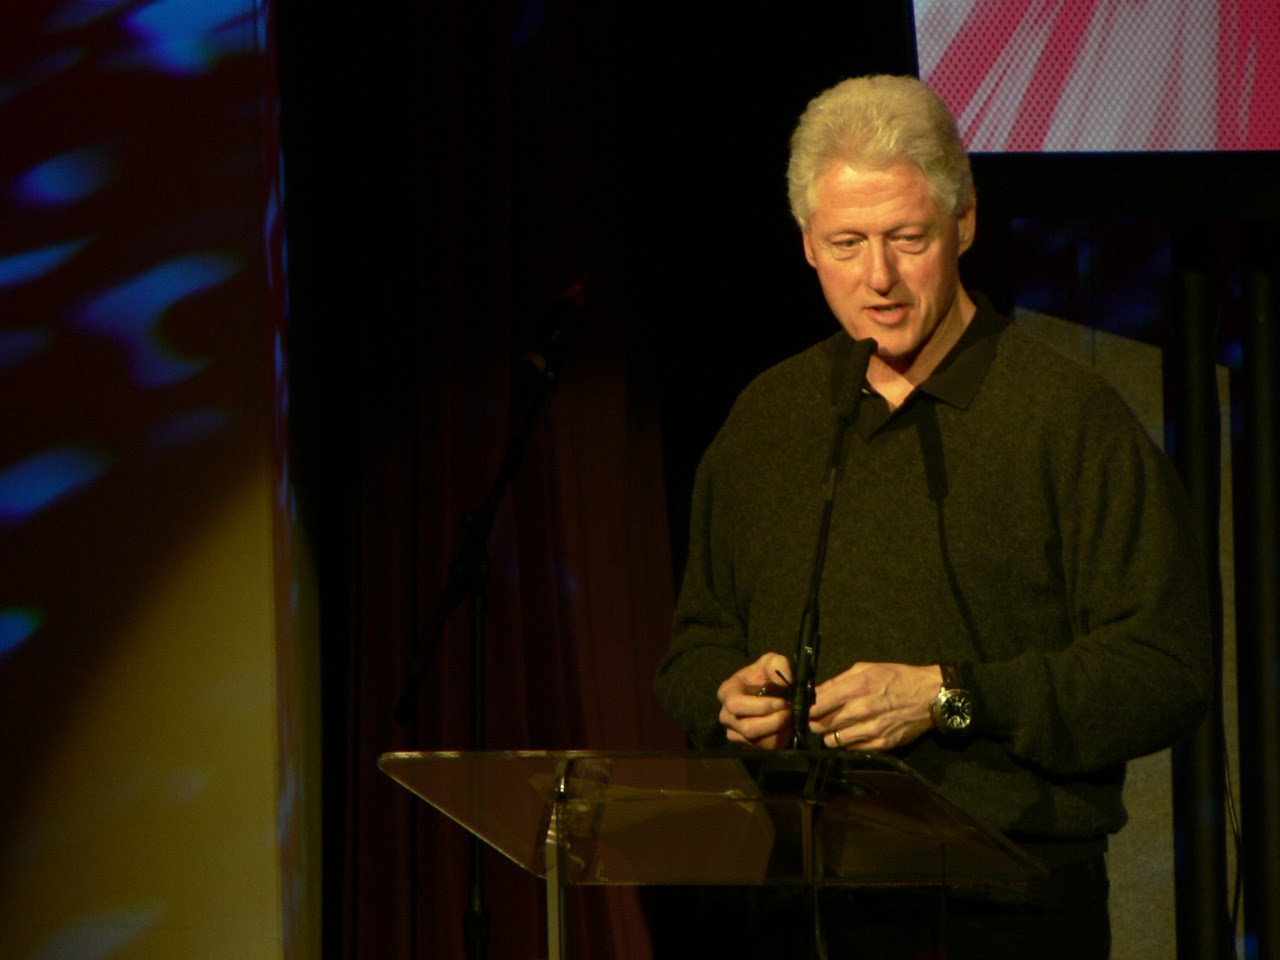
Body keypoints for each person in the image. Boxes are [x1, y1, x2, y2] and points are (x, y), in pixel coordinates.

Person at [654, 75, 1212, 959]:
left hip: (1007, 909)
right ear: (807, 244)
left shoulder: (1068, 417)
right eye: (847, 243)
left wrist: (950, 697)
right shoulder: (767, 420)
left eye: (907, 239)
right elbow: (693, 649)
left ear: (964, 225)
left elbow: (1164, 671)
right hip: (798, 905)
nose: (878, 278)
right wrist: (729, 699)